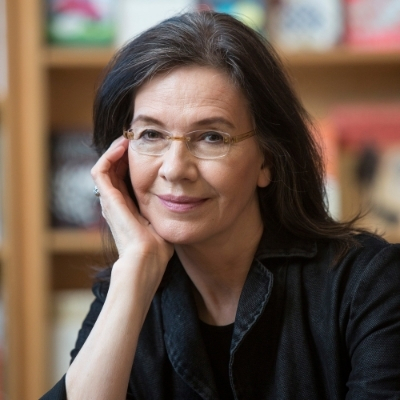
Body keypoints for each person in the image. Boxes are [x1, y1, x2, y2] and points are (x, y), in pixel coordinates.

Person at [41, 11, 400, 400]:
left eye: (212, 137)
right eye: (151, 134)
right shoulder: (127, 292)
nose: (175, 169)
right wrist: (132, 277)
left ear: (267, 159)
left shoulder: (371, 285)